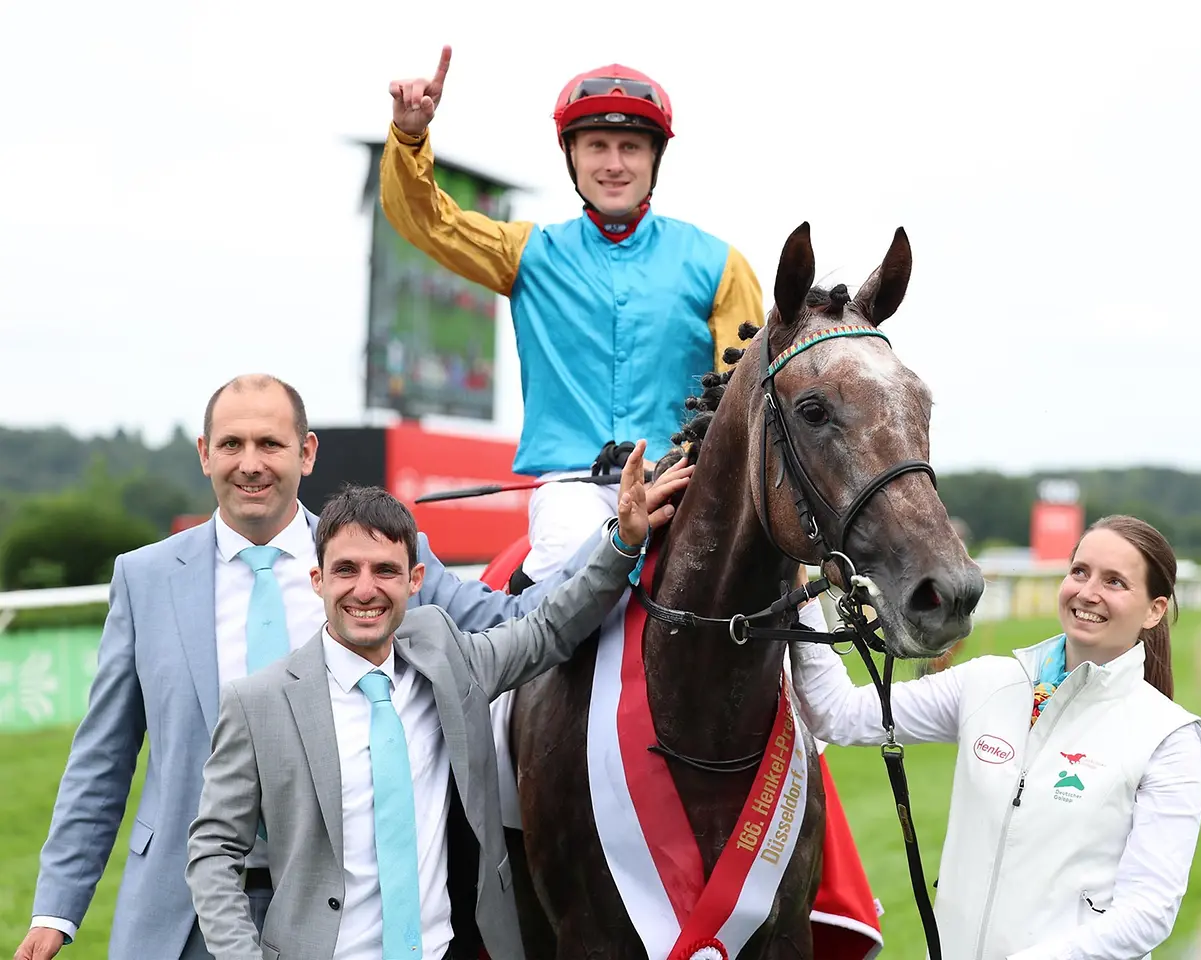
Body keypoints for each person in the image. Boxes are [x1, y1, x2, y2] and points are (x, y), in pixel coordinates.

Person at [15, 374, 690, 960]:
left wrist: (622, 537)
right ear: (204, 454)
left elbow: (530, 624)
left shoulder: (377, 561)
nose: (251, 464)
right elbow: (100, 762)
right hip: (184, 906)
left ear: (306, 453)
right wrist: (56, 908)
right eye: (232, 445)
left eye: (270, 444)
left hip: (364, 908)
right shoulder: (145, 579)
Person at [184, 445, 658, 960]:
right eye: (346, 570)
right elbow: (213, 853)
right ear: (317, 579)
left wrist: (624, 541)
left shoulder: (450, 662)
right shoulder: (257, 703)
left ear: (415, 581)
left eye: (385, 570)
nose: (365, 590)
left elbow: (546, 629)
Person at [381, 46, 761, 582]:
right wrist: (410, 137)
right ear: (572, 157)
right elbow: (425, 221)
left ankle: (821, 670)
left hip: (685, 479)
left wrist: (693, 464)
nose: (613, 163)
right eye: (597, 146)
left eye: (630, 146)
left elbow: (744, 390)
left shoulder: (720, 265)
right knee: (567, 562)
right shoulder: (525, 252)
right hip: (573, 487)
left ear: (654, 159)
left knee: (774, 570)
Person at [789, 514, 1201, 960]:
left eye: (1115, 582)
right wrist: (799, 593)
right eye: (1080, 571)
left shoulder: (1170, 737)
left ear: (1155, 609)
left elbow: (1148, 912)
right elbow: (837, 713)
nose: (1088, 592)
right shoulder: (987, 681)